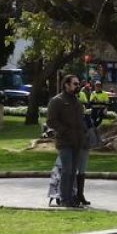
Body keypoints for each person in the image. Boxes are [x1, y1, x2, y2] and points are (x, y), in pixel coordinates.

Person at [47, 75, 88, 208]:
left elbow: (80, 121)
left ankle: (72, 197)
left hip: (77, 141)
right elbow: (51, 121)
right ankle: (64, 198)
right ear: (67, 84)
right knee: (66, 170)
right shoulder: (57, 101)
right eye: (75, 84)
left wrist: (83, 134)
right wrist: (64, 130)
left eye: (78, 84)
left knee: (73, 171)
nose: (78, 86)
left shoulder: (77, 102)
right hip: (64, 141)